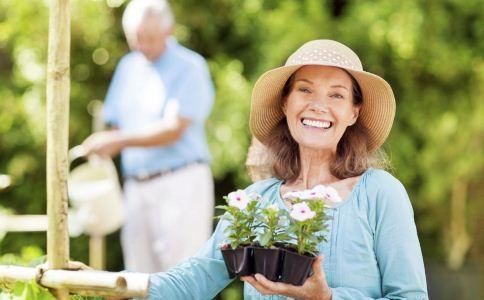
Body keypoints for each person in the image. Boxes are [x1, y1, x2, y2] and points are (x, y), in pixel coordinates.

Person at [147, 39, 429, 299]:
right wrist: (117, 284)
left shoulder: (380, 194)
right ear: (285, 102)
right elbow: (192, 280)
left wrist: (327, 298)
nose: (318, 105)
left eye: (337, 95)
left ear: (353, 112)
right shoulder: (254, 202)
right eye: (305, 89)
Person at [82, 0, 215, 273]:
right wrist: (103, 147)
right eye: (136, 39)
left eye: (150, 38)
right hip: (136, 187)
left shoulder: (190, 66)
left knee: (182, 275)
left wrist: (118, 141)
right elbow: (117, 126)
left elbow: (173, 128)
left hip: (180, 182)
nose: (142, 45)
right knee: (139, 276)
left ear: (170, 31)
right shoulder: (128, 67)